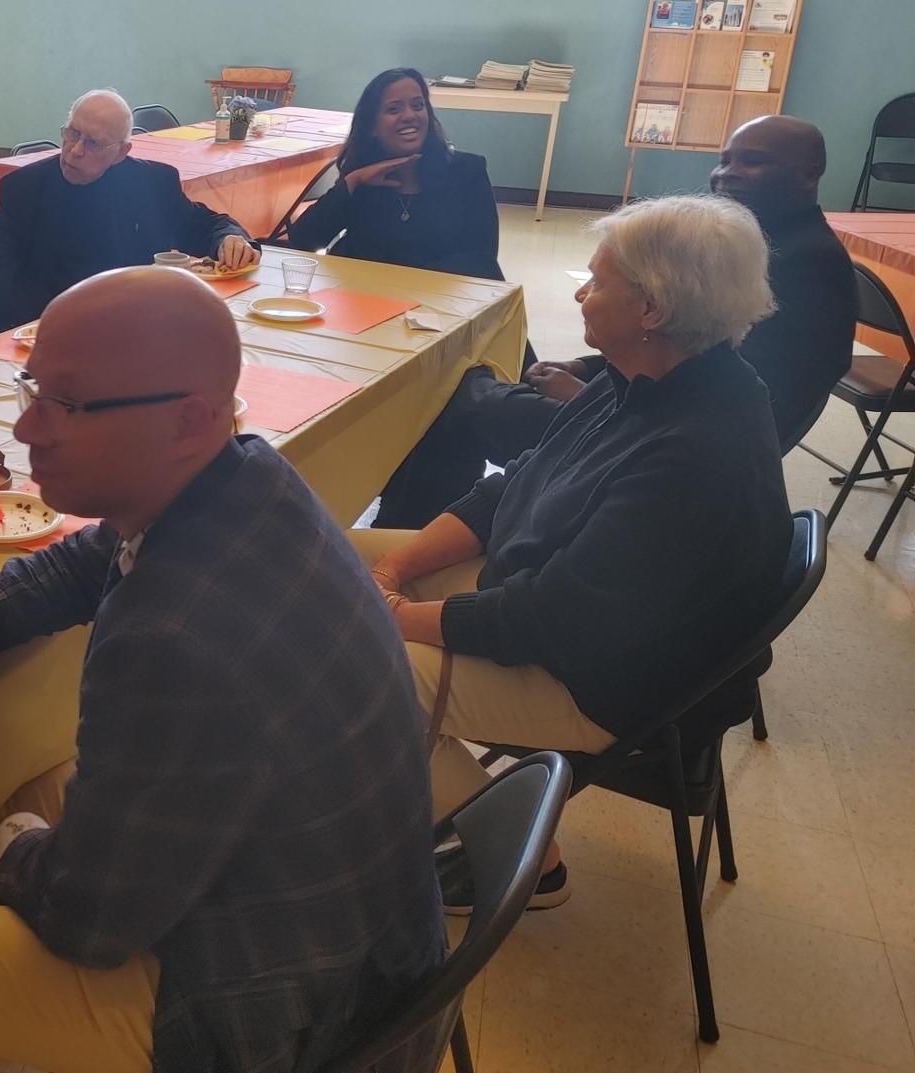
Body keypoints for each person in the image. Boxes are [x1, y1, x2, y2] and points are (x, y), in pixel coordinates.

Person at [0, 267, 444, 1073]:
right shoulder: (246, 476)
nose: (25, 426)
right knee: (22, 770)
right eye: (31, 387)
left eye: (67, 404)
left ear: (188, 418)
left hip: (293, 1016)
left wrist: (16, 850)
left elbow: (89, 922)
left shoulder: (172, 632)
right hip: (369, 943)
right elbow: (79, 562)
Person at [350, 195, 792, 913]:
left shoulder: (695, 453)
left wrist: (393, 616)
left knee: (350, 662)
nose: (582, 294)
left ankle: (516, 864)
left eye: (596, 281)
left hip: (605, 679)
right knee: (332, 558)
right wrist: (393, 572)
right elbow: (514, 484)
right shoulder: (644, 375)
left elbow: (551, 621)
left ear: (651, 308)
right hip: (555, 599)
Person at [375, 115, 857, 529]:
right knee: (472, 387)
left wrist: (587, 397)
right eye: (724, 160)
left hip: (648, 441)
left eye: (751, 161)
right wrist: (587, 369)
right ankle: (424, 525)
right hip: (643, 410)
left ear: (807, 174)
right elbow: (682, 337)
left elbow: (744, 400)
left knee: (457, 394)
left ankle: (408, 527)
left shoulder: (807, 268)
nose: (726, 175)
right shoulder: (759, 242)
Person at [0, 90, 260, 337]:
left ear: (122, 152)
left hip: (125, 332)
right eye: (72, 134)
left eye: (93, 143)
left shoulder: (152, 183)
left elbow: (202, 225)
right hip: (34, 331)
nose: (75, 150)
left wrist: (229, 238)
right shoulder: (24, 187)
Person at [287, 67, 503, 281]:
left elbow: (482, 260)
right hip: (366, 298)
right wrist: (352, 182)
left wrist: (406, 282)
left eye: (418, 106)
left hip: (439, 299)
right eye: (393, 109)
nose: (409, 116)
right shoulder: (362, 177)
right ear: (372, 126)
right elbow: (303, 241)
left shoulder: (467, 171)